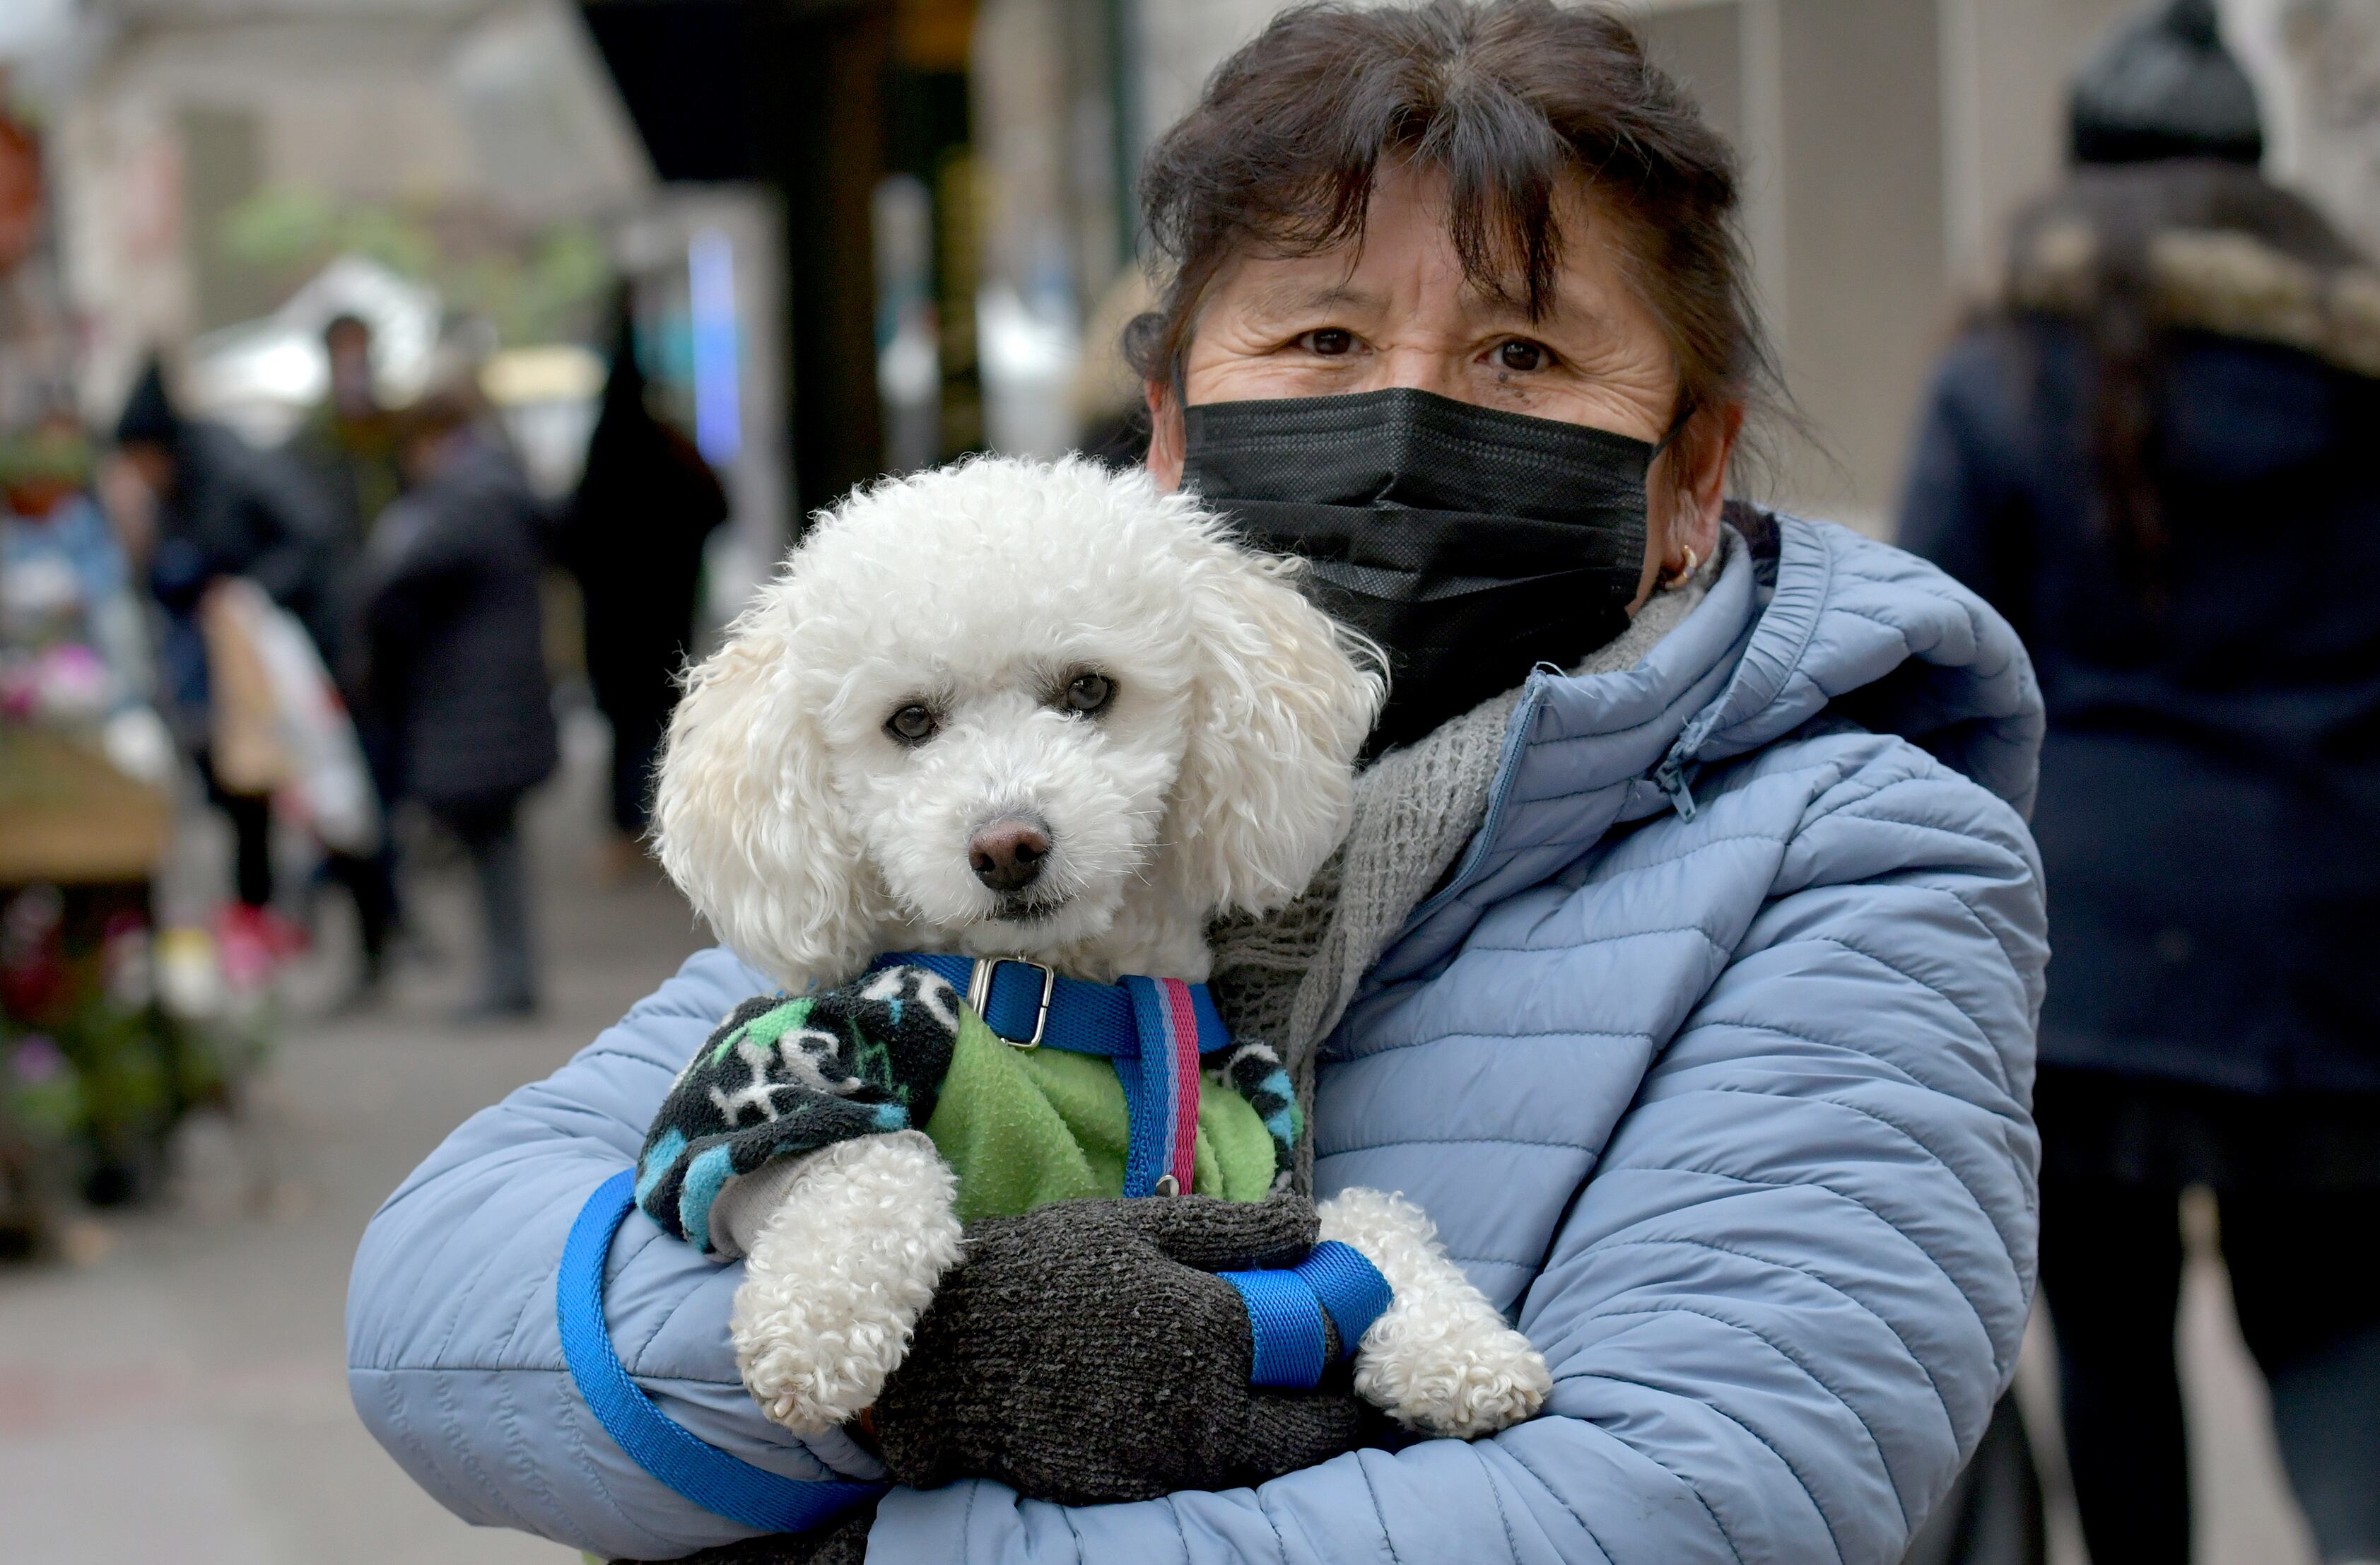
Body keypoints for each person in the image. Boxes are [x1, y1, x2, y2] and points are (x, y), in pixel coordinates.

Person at [347, 4, 2046, 1561]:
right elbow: (442, 1316)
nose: (1403, 418)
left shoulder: (1862, 858)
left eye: (1523, 355)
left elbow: (1691, 1497)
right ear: (1170, 433)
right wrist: (926, 1363)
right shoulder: (953, 864)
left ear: (1692, 470)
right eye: (1318, 336)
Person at [1898, 3, 2380, 1561]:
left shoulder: (2007, 376)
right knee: (2333, 1334)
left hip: (2079, 951)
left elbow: (1939, 664)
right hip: (2324, 939)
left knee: (2108, 1343)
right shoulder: (2358, 377)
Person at [113, 358, 332, 966]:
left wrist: (247, 596)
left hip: (287, 660)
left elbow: (308, 536)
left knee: (325, 796)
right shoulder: (177, 490)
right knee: (246, 798)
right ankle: (262, 918)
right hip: (230, 673)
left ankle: (363, 924)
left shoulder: (229, 471)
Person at [352, 387, 557, 1021]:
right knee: (494, 844)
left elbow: (395, 579)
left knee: (490, 846)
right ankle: (508, 974)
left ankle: (508, 977)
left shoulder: (464, 501)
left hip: (476, 703)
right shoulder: (498, 491)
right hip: (498, 698)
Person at [561, 293, 728, 865]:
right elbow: (715, 508)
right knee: (659, 724)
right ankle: (661, 827)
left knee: (629, 729)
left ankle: (631, 830)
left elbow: (570, 538)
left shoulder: (604, 457)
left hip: (617, 623)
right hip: (663, 616)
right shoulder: (671, 450)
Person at [288, 312, 405, 997]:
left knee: (385, 793)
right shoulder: (314, 445)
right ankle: (370, 927)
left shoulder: (387, 435)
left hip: (392, 650)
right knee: (350, 794)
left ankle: (387, 919)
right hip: (340, 647)